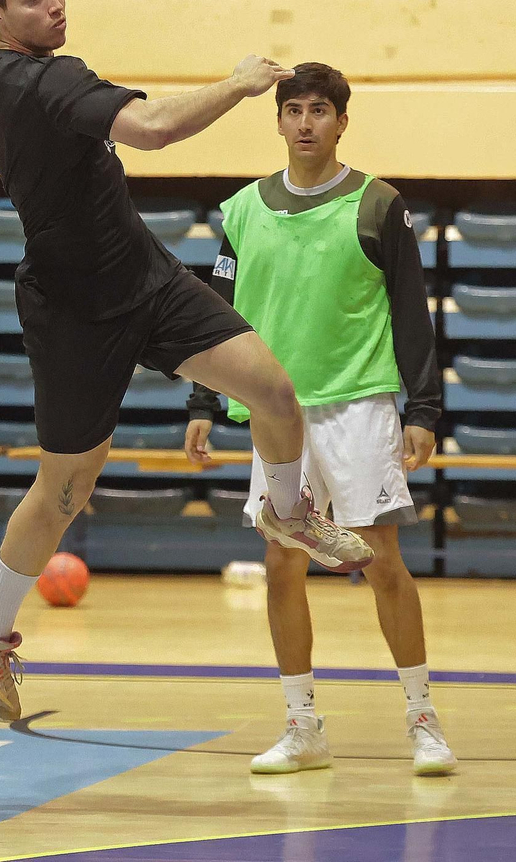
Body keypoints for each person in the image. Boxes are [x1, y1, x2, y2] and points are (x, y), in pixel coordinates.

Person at [0, 0, 374, 724]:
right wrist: (239, 83)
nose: (55, 4)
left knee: (272, 391)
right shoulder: (50, 81)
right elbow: (154, 128)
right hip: (72, 309)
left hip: (144, 276)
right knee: (65, 490)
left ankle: (288, 510)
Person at [185, 62, 456, 776]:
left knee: (380, 560)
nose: (305, 123)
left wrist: (423, 407)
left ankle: (422, 718)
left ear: (341, 122)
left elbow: (411, 309)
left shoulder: (378, 204)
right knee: (282, 562)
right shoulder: (242, 210)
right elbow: (216, 314)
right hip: (274, 411)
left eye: (319, 110)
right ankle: (302, 726)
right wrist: (204, 400)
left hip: (359, 402)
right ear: (278, 121)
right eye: (294, 110)